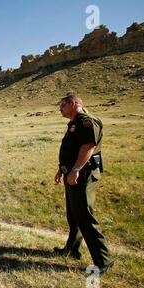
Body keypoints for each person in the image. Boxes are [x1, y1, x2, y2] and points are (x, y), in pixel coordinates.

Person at [54, 95, 114, 274]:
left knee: (84, 216)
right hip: (72, 173)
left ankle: (103, 260)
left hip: (82, 174)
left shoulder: (86, 121)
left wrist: (76, 170)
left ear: (74, 104)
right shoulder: (74, 123)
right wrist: (62, 170)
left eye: (62, 104)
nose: (60, 109)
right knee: (74, 215)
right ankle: (72, 249)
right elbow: (71, 149)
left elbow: (88, 147)